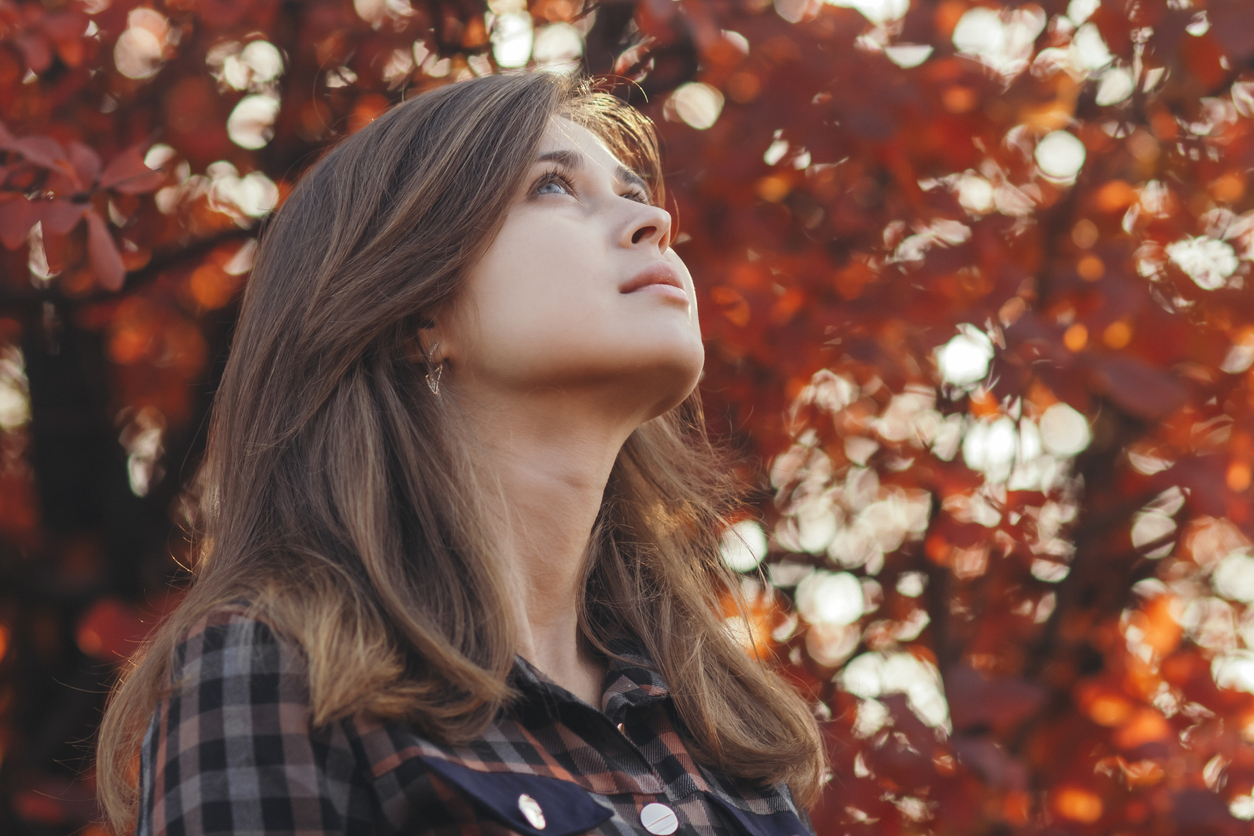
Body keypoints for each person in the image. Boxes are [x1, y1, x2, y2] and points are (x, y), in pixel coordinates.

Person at [96, 71, 826, 836]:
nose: (653, 219)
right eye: (551, 186)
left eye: (634, 188)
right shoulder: (277, 672)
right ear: (416, 314)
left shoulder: (722, 733)